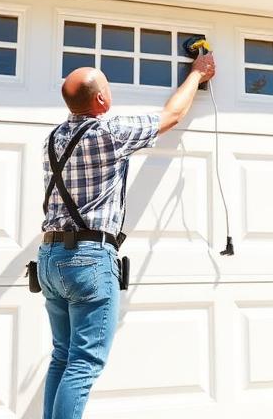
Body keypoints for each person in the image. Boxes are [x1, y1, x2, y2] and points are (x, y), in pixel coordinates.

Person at [36, 52, 215, 419]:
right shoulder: (109, 133)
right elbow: (172, 116)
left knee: (63, 355)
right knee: (83, 363)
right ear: (100, 99)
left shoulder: (53, 139)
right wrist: (197, 75)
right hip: (87, 259)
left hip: (49, 260)